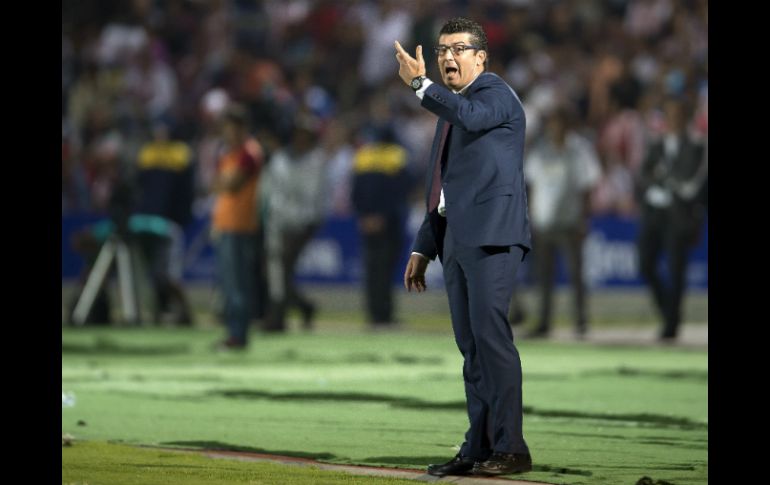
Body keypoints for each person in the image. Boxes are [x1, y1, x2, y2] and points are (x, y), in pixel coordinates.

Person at [395, 17, 533, 477]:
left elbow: (470, 116)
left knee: (491, 342)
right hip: (457, 238)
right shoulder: (453, 108)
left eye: (458, 49)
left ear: (481, 57)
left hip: (492, 236)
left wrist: (419, 84)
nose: (447, 57)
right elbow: (442, 185)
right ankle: (479, 446)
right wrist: (424, 246)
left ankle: (512, 448)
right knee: (472, 349)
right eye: (441, 50)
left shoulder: (495, 94)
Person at [524, 107, 602, 339]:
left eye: (559, 124)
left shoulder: (579, 151)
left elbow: (588, 185)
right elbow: (532, 185)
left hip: (570, 222)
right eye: (552, 124)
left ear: (567, 126)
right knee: (544, 275)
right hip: (544, 222)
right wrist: (532, 216)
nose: (555, 128)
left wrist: (584, 219)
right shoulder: (540, 151)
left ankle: (580, 320)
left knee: (575, 274)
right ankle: (544, 321)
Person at [636, 96, 706, 342]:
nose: (674, 119)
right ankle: (668, 311)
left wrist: (666, 179)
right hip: (654, 213)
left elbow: (695, 184)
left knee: (677, 270)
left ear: (686, 118)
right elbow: (643, 175)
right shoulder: (655, 145)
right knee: (644, 264)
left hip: (679, 216)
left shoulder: (696, 147)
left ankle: (671, 324)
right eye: (670, 115)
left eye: (678, 115)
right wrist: (655, 180)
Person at [211, 104, 265, 349]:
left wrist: (223, 181)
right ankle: (233, 333)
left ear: (242, 128)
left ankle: (239, 335)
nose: (228, 133)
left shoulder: (249, 153)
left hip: (240, 226)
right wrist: (223, 181)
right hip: (225, 224)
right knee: (229, 285)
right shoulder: (230, 154)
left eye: (231, 128)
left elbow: (231, 185)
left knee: (238, 285)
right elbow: (216, 184)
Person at [351, 116, 411, 329]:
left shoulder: (363, 157)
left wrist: (363, 216)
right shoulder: (397, 156)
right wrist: (382, 216)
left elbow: (356, 192)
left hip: (369, 221)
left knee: (372, 268)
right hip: (389, 223)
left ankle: (374, 314)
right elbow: (399, 192)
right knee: (385, 269)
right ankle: (383, 314)